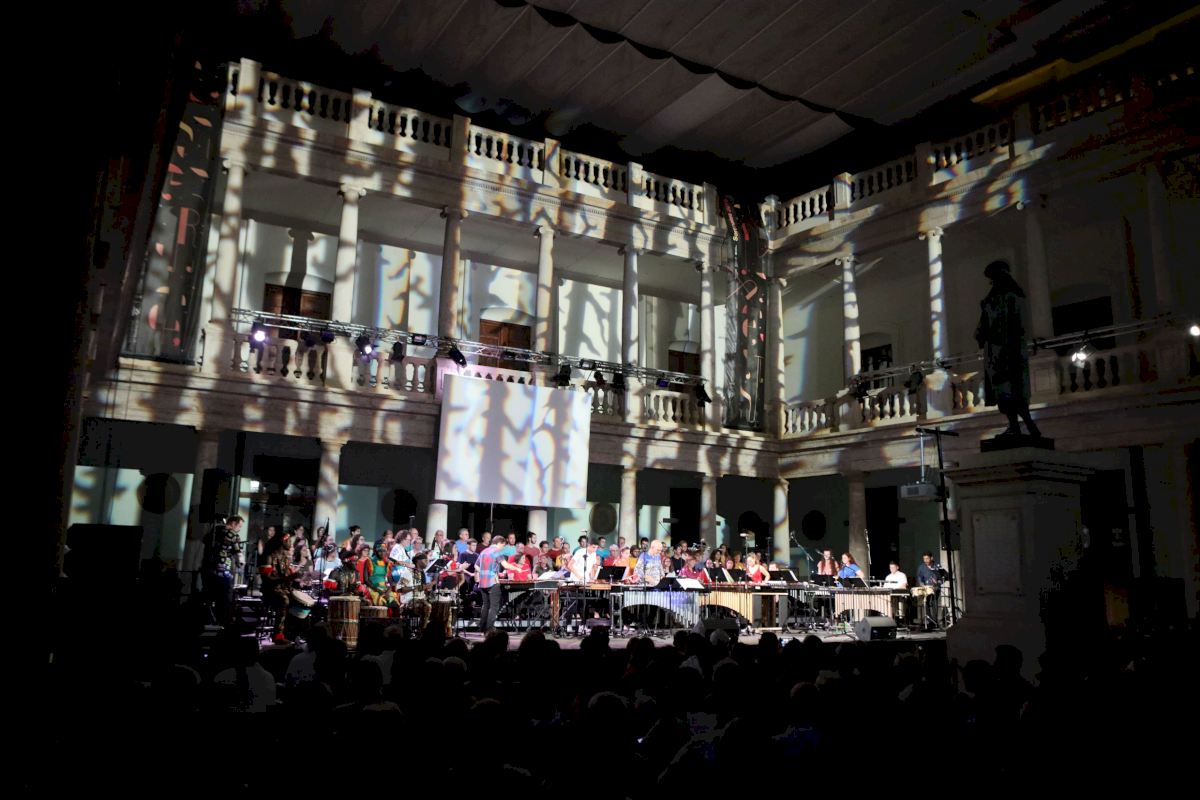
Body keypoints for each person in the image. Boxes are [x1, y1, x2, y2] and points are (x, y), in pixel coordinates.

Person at [975, 260, 1041, 438]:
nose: (991, 282)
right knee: (1006, 392)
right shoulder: (1002, 297)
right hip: (1002, 350)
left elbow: (1000, 324)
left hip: (1005, 351)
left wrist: (985, 330)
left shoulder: (1007, 297)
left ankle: (1022, 425)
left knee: (1008, 391)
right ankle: (1021, 425)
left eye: (993, 278)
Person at [201, 515, 244, 626]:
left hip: (208, 569)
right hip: (224, 572)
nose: (239, 529)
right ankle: (223, 624)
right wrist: (240, 565)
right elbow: (238, 554)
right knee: (224, 599)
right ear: (233, 523)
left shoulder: (213, 532)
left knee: (208, 597)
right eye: (239, 526)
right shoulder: (233, 535)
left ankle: (206, 621)